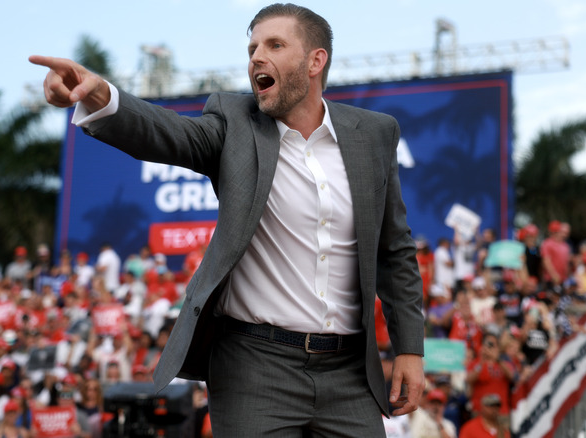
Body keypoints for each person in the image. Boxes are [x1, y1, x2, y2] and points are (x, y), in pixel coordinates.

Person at [30, 3, 425, 436]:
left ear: (316, 60)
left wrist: (410, 348)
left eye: (275, 44)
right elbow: (168, 133)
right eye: (252, 46)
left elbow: (395, 250)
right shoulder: (234, 122)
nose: (257, 56)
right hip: (254, 367)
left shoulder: (374, 133)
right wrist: (99, 94)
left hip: (350, 373)